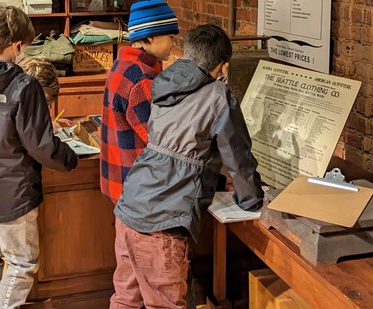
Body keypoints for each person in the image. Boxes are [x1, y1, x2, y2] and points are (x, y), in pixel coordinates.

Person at [111, 24, 265, 308]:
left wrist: (217, 183)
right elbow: (238, 155)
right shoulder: (219, 95)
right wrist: (252, 200)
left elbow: (175, 151)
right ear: (224, 66)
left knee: (126, 300)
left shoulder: (163, 82)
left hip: (130, 207)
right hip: (163, 222)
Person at [0, 6, 78, 309]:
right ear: (18, 46)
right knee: (21, 263)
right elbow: (41, 146)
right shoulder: (24, 86)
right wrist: (70, 158)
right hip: (16, 191)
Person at [100, 0, 179, 204]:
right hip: (141, 195)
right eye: (171, 36)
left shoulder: (122, 65)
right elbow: (162, 143)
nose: (173, 43)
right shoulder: (140, 79)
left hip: (122, 187)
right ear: (151, 37)